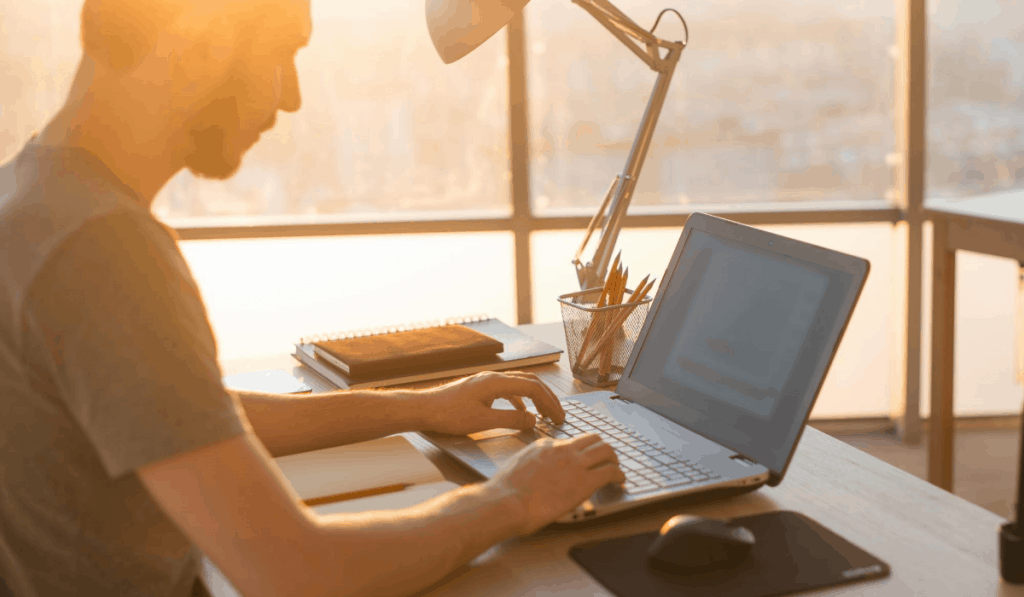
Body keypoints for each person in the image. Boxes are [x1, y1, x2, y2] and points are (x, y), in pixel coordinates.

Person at [0, 1, 625, 595]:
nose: (291, 96)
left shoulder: (30, 197)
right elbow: (300, 575)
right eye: (282, 54)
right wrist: (509, 499)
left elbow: (187, 413)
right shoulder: (102, 251)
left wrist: (423, 407)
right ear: (196, 42)